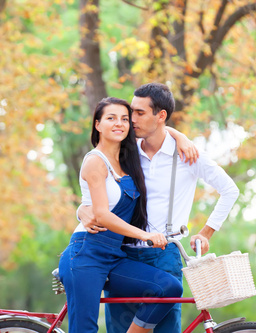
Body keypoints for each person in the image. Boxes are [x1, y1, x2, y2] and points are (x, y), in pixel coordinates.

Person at [78, 83, 240, 333]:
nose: (131, 119)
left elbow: (230, 190)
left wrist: (206, 233)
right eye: (131, 111)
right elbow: (96, 184)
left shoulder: (187, 155)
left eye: (139, 113)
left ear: (161, 115)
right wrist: (82, 209)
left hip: (166, 254)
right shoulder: (126, 152)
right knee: (119, 329)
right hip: (123, 255)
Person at [58, 97, 183, 333]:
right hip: (86, 253)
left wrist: (181, 138)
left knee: (168, 287)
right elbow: (102, 215)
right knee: (84, 329)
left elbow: (159, 129)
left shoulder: (128, 157)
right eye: (111, 118)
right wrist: (146, 235)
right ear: (97, 125)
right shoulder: (95, 161)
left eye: (125, 119)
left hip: (114, 255)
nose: (119, 124)